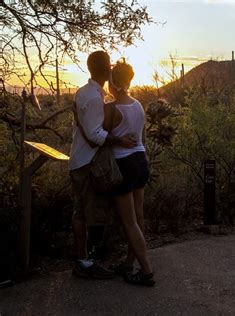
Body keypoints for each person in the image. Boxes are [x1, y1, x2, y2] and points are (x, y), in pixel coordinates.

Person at [69, 51, 136, 279]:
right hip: (88, 162)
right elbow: (94, 135)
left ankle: (81, 260)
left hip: (77, 160)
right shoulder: (95, 97)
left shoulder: (83, 92)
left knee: (80, 212)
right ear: (107, 69)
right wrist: (120, 139)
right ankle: (91, 262)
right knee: (94, 213)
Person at [104, 59, 155, 287]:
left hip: (124, 165)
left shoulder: (111, 108)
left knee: (129, 222)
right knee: (139, 216)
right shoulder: (138, 105)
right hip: (141, 161)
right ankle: (128, 263)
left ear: (112, 83)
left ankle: (146, 271)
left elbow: (99, 136)